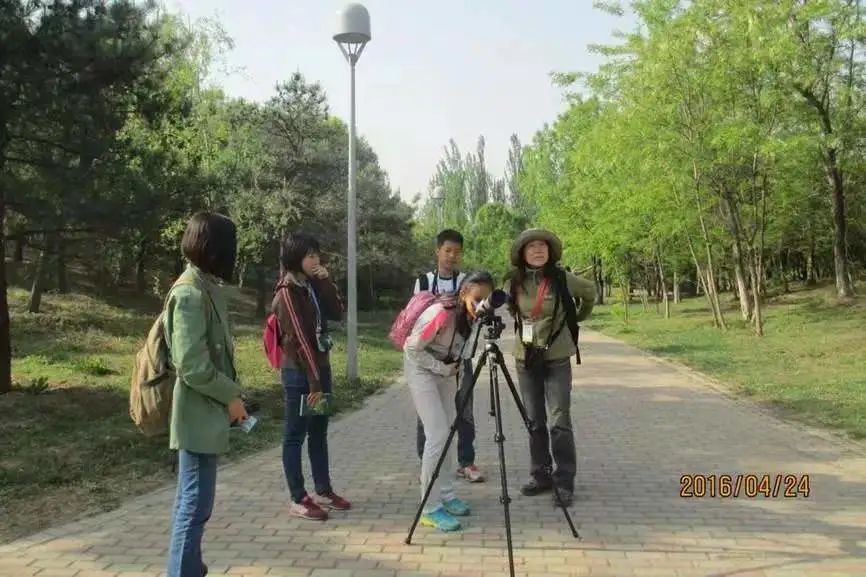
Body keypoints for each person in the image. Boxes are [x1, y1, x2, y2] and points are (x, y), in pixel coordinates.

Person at [166, 211, 248, 577]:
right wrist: (231, 396)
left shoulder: (204, 287)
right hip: (196, 414)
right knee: (194, 506)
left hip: (206, 412)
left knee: (195, 504)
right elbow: (192, 366)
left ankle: (189, 568)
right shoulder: (189, 293)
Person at [504, 229, 596, 507]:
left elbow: (590, 292)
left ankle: (564, 481)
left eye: (542, 246)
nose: (537, 250)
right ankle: (540, 475)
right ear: (522, 253)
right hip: (527, 359)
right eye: (531, 246)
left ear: (550, 251)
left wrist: (575, 319)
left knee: (559, 421)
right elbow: (511, 310)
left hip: (557, 357)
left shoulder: (562, 278)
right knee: (534, 420)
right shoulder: (513, 282)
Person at [404, 271, 495, 532]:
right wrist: (442, 368)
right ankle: (429, 508)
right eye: (477, 298)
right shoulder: (440, 313)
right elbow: (411, 348)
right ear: (463, 292)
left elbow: (464, 352)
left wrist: (452, 372)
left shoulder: (471, 318)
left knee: (448, 434)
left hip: (446, 371)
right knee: (437, 434)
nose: (481, 305)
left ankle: (446, 494)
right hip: (421, 368)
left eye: (486, 300)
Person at [272, 232, 350, 521]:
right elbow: (300, 340)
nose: (315, 260)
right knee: (295, 435)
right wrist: (314, 381)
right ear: (296, 258)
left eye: (317, 254)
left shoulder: (311, 286)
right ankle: (298, 497)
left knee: (318, 430)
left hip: (320, 369)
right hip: (300, 375)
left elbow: (337, 313)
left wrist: (325, 282)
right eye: (309, 255)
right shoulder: (287, 292)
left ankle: (323, 490)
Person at [413, 229, 485, 483]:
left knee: (464, 409)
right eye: (447, 251)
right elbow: (416, 317)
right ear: (438, 251)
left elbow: (474, 315)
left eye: (457, 252)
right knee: (427, 413)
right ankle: (427, 462)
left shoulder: (466, 281)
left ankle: (466, 461)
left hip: (460, 356)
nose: (452, 256)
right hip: (430, 357)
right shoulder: (423, 281)